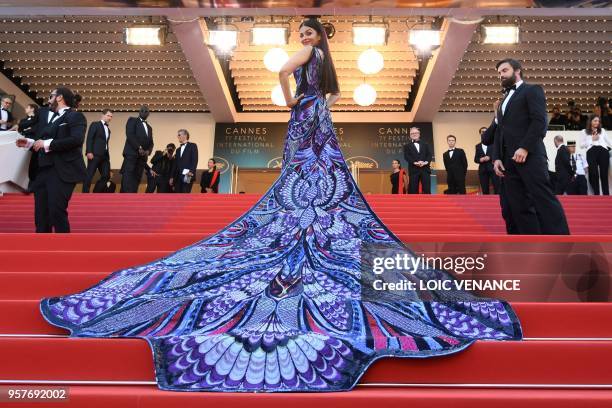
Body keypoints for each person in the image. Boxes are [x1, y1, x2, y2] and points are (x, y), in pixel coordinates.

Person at [40, 18, 521, 393]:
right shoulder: (327, 70)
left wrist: (291, 100)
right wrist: (305, 101)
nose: (304, 37)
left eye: (308, 32)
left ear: (315, 37)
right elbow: (315, 88)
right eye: (303, 32)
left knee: (299, 179)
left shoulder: (309, 54)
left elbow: (280, 70)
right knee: (322, 182)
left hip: (306, 115)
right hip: (320, 116)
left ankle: (299, 221)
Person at [491, 58, 569, 235]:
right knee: (519, 205)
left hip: (531, 156)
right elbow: (499, 132)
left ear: (517, 70)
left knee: (543, 198)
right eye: (499, 73)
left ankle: (561, 241)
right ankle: (530, 242)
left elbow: (539, 122)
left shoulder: (532, 90)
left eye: (504, 71)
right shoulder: (503, 101)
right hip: (508, 162)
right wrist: (496, 158)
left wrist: (525, 147)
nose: (501, 75)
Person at [15, 86, 86, 233]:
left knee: (56, 211)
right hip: (43, 170)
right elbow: (43, 140)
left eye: (51, 96)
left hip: (62, 171)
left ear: (59, 97)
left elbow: (76, 140)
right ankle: (42, 249)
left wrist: (46, 143)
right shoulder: (53, 118)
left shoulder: (75, 116)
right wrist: (29, 143)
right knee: (41, 214)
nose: (48, 100)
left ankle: (64, 249)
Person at [120, 105, 153, 193]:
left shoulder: (149, 128)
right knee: (128, 175)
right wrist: (139, 147)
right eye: (142, 110)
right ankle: (126, 197)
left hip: (143, 157)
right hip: (132, 154)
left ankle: (133, 197)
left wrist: (148, 151)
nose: (144, 112)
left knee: (137, 177)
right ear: (139, 111)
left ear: (149, 114)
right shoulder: (132, 120)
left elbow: (151, 142)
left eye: (146, 111)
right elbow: (130, 135)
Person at [82, 109, 112, 193]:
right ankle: (85, 193)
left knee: (106, 175)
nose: (110, 118)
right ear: (103, 115)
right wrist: (89, 151)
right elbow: (89, 138)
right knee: (89, 175)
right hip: (94, 154)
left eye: (111, 116)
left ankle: (96, 192)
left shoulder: (108, 130)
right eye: (108, 115)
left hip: (105, 156)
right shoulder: (95, 124)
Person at [580, 114, 611, 195]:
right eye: (595, 121)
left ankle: (606, 194)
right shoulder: (584, 132)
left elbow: (609, 141)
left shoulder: (602, 130)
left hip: (603, 151)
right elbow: (581, 145)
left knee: (604, 174)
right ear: (590, 121)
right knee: (593, 174)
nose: (597, 122)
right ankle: (596, 194)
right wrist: (591, 139)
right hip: (591, 152)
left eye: (598, 121)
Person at [403, 127, 432, 194]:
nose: (414, 134)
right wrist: (414, 162)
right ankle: (413, 204)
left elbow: (429, 155)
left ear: (419, 134)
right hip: (413, 170)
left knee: (427, 189)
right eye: (412, 133)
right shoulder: (407, 146)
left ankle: (428, 203)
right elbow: (407, 156)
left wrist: (425, 162)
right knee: (413, 189)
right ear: (410, 135)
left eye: (416, 133)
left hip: (425, 169)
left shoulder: (426, 144)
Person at [171, 129, 198, 193]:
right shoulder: (177, 150)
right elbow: (175, 164)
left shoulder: (193, 145)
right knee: (177, 195)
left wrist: (191, 172)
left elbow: (195, 160)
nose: (178, 136)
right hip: (177, 177)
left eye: (179, 135)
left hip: (188, 174)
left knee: (185, 193)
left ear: (185, 135)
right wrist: (172, 176)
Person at [474, 127, 498, 194]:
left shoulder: (494, 144)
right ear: (480, 134)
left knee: (497, 187)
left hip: (493, 169)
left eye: (485, 131)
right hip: (482, 170)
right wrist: (480, 159)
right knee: (484, 189)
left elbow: (498, 155)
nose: (484, 133)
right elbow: (475, 159)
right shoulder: (478, 146)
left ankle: (497, 203)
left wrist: (490, 158)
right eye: (482, 132)